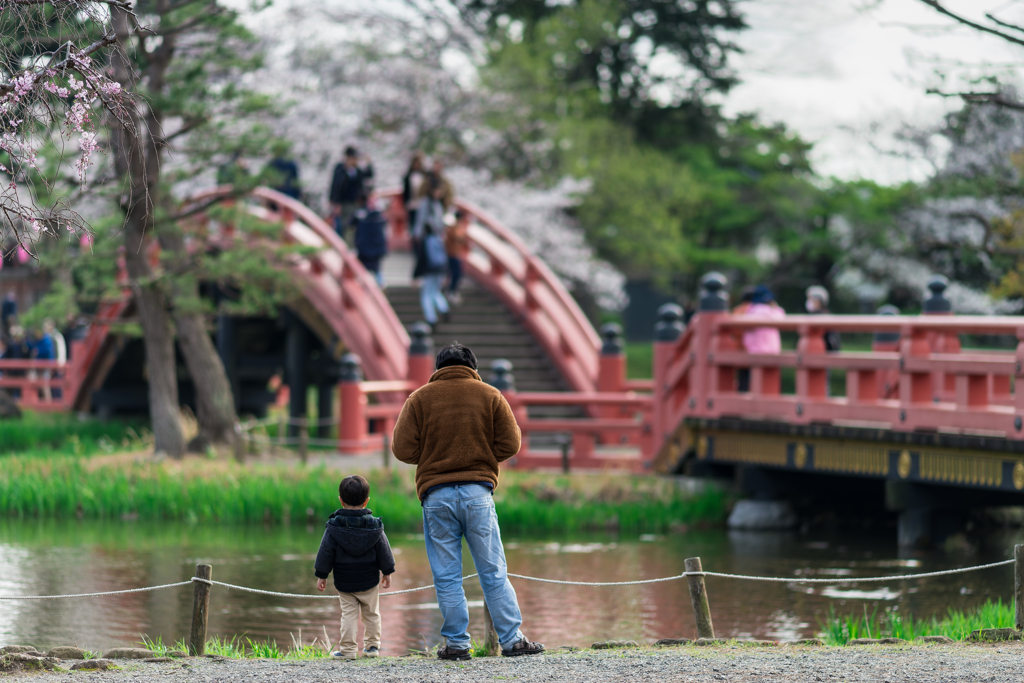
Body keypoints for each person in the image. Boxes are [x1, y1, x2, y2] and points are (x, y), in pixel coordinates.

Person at [392, 344, 545, 661]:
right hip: (478, 493)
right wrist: (483, 456)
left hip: (437, 495)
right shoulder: (490, 395)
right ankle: (513, 640)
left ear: (438, 368)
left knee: (447, 576)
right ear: (472, 367)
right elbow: (511, 442)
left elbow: (401, 448)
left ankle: (457, 644)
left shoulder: (419, 398)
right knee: (493, 571)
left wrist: (432, 455)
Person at [314, 474, 396, 661]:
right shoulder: (375, 526)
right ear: (367, 501)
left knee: (348, 616)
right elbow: (384, 549)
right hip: (369, 579)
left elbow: (325, 552)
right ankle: (372, 647)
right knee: (372, 614)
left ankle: (348, 650)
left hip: (345, 580)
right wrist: (387, 571)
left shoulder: (334, 526)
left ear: (341, 501)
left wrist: (322, 575)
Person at [329, 146, 374, 245]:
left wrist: (369, 163)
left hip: (354, 202)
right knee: (342, 226)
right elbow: (335, 185)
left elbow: (369, 175)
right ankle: (342, 246)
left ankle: (350, 246)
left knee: (352, 226)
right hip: (343, 203)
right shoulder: (340, 169)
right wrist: (335, 202)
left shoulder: (357, 171)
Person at [353, 197, 388, 287]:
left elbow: (350, 224)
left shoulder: (361, 218)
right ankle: (380, 287)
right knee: (376, 272)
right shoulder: (380, 219)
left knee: (364, 273)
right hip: (374, 252)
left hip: (364, 251)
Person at [741, 285, 785, 356]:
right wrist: (776, 308)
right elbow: (782, 319)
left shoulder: (750, 310)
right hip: (769, 350)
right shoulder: (767, 310)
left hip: (752, 350)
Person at [445, 209, 470, 305]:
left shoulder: (456, 228)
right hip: (452, 254)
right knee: (456, 273)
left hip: (455, 254)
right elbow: (459, 238)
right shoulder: (454, 228)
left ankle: (451, 291)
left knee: (456, 274)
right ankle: (451, 291)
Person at [805, 286, 841, 352]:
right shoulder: (812, 315)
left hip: (823, 351)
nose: (811, 302)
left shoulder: (824, 316)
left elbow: (832, 341)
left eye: (813, 299)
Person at [402, 151, 427, 237]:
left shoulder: (424, 175)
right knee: (412, 225)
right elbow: (405, 191)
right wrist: (406, 202)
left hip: (422, 204)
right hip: (412, 204)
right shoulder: (408, 176)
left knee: (422, 224)